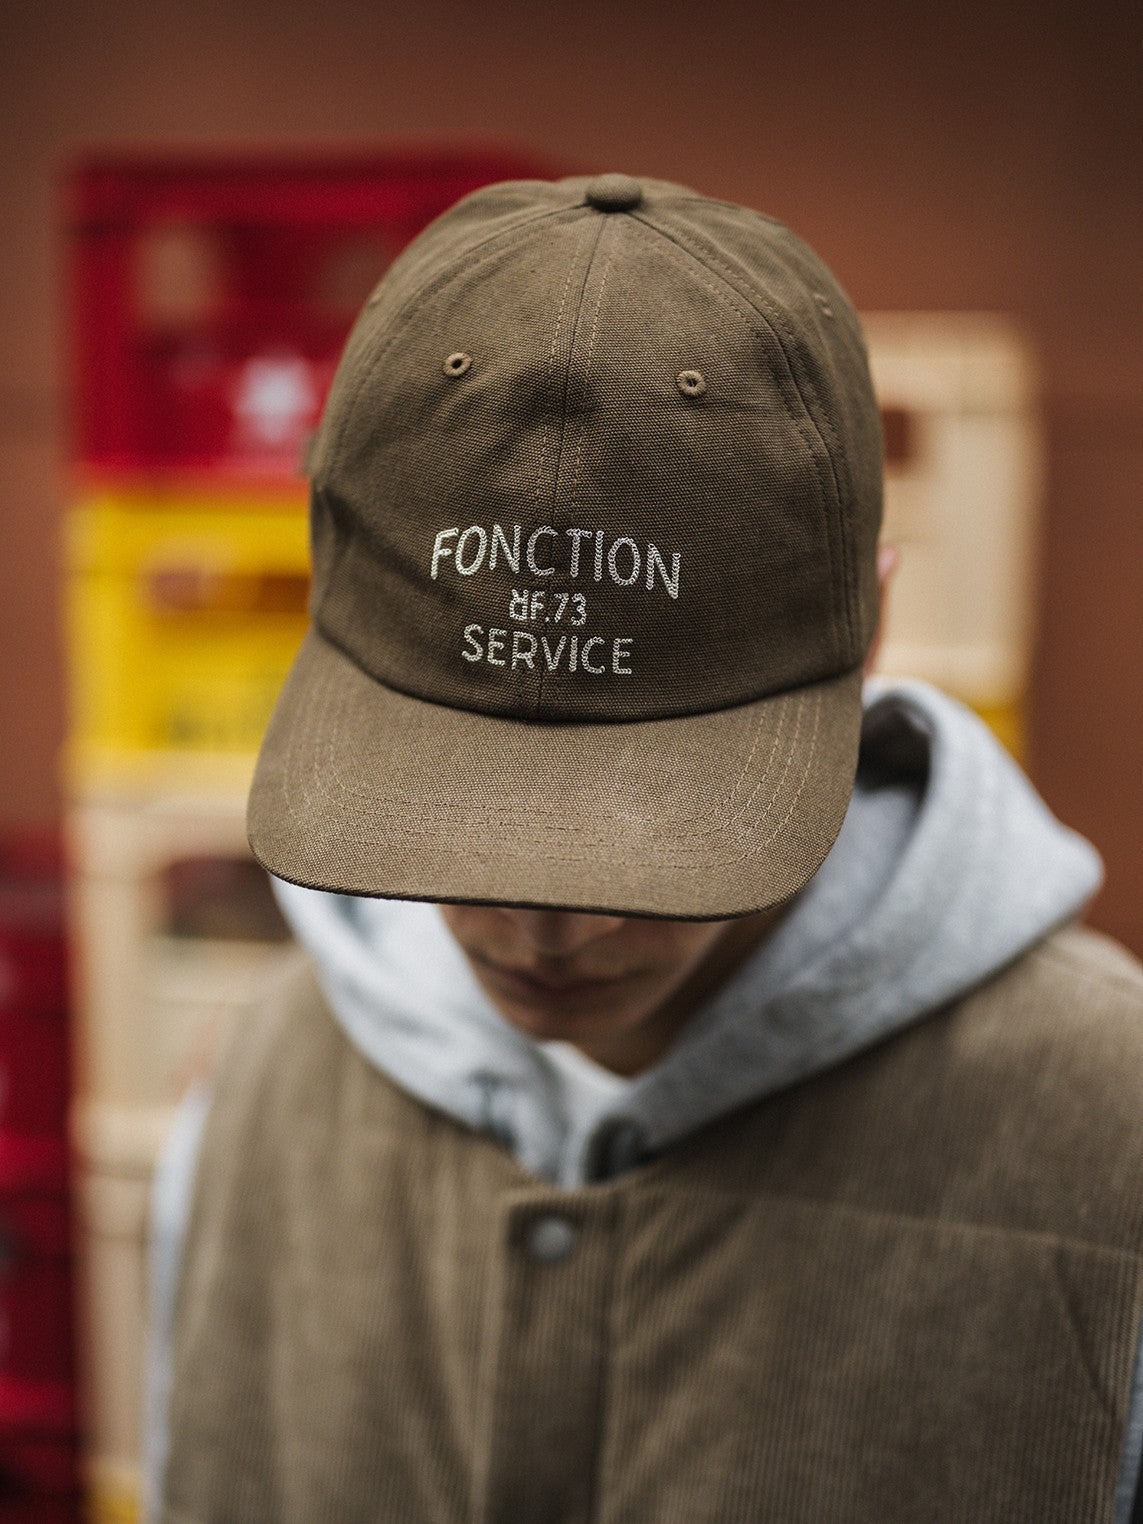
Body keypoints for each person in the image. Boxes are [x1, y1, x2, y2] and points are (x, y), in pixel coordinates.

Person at [147, 173, 1143, 1523]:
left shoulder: (1109, 1139)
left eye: (656, 829)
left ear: (873, 639)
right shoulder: (263, 1095)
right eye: (460, 805)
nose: (546, 930)